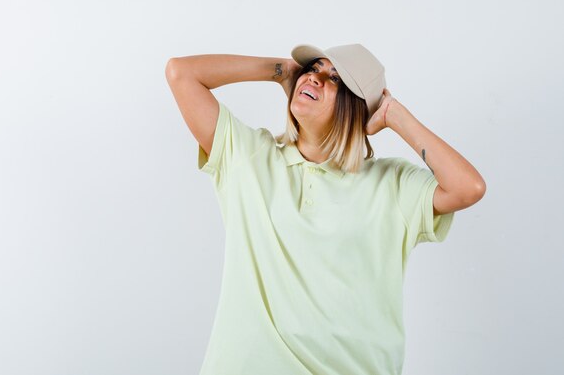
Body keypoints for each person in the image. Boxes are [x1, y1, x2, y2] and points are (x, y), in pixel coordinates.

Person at [165, 43, 486, 375]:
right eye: (313, 69)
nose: (315, 78)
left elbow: (468, 187)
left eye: (335, 78)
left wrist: (395, 115)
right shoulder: (248, 157)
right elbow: (181, 73)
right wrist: (282, 70)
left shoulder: (393, 184)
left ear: (359, 108)